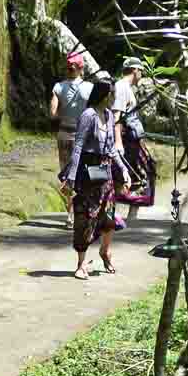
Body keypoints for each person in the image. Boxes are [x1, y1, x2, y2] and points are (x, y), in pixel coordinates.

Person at [61, 78, 132, 280]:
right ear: (104, 95)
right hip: (87, 172)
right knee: (86, 217)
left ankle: (105, 251)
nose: (114, 98)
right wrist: (72, 178)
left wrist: (123, 169)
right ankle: (81, 264)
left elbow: (110, 148)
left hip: (105, 171)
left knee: (109, 216)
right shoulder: (88, 115)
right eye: (112, 94)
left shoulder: (109, 116)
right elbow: (78, 146)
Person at [113, 57, 154, 222]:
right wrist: (118, 141)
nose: (142, 74)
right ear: (135, 70)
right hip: (126, 140)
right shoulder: (122, 87)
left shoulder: (126, 87)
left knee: (134, 173)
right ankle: (127, 215)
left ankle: (128, 213)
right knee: (138, 174)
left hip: (132, 140)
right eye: (141, 71)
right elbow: (117, 115)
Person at [49, 51, 91, 209]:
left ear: (67, 68)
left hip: (64, 135)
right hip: (84, 137)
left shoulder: (58, 87)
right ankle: (83, 209)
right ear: (81, 68)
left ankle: (70, 213)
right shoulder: (90, 88)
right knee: (83, 172)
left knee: (66, 173)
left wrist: (65, 112)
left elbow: (52, 115)